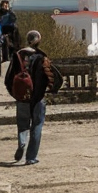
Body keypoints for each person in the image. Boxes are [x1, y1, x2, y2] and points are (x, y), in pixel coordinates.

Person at [5, 30, 61, 165]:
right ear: (38, 41)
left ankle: (22, 143)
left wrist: (15, 94)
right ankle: (31, 157)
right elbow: (54, 77)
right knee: (37, 125)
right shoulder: (41, 57)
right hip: (38, 97)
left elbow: (8, 79)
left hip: (22, 97)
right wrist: (51, 90)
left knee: (22, 124)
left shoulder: (17, 55)